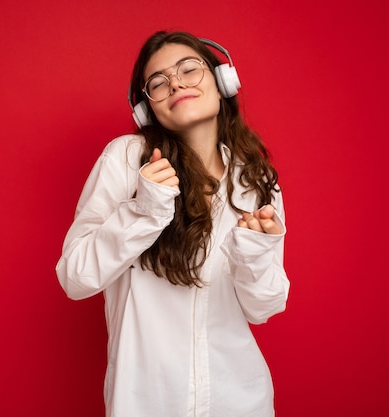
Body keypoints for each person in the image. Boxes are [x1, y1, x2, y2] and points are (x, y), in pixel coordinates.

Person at [56, 30, 290, 417]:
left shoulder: (256, 180)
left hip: (240, 400)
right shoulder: (128, 159)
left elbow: (263, 308)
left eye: (188, 69)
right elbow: (75, 278)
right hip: (146, 401)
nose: (176, 83)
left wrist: (255, 253)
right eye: (158, 82)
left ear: (222, 82)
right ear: (148, 109)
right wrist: (144, 212)